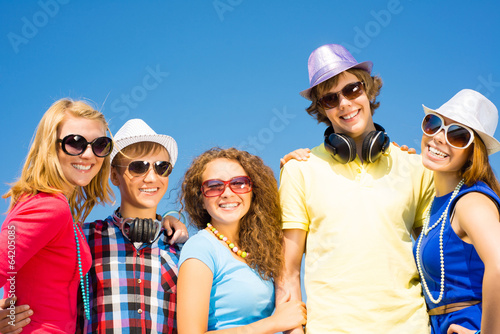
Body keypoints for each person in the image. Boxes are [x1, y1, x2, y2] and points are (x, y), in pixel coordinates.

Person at [277, 44, 435, 333]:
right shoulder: (299, 170)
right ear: (321, 110)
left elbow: (438, 255)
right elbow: (287, 271)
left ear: (369, 90)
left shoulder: (416, 167)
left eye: (352, 90)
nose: (345, 104)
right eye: (330, 98)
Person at [0, 99, 114, 333]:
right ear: (51, 146)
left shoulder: (54, 207)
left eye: (100, 145)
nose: (88, 155)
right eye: (75, 143)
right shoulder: (50, 207)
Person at [177, 148, 306, 333]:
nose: (227, 193)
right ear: (200, 198)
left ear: (254, 191)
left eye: (239, 183)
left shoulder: (261, 247)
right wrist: (274, 323)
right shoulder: (201, 248)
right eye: (214, 186)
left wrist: (293, 169)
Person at [80, 118, 186, 333]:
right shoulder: (83, 238)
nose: (151, 177)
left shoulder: (183, 248)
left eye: (161, 167)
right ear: (114, 176)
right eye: (138, 167)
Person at [413, 89, 500, 334]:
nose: (440, 138)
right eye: (434, 125)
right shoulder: (437, 203)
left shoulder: (471, 201)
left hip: (471, 323)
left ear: (474, 153)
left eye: (458, 135)